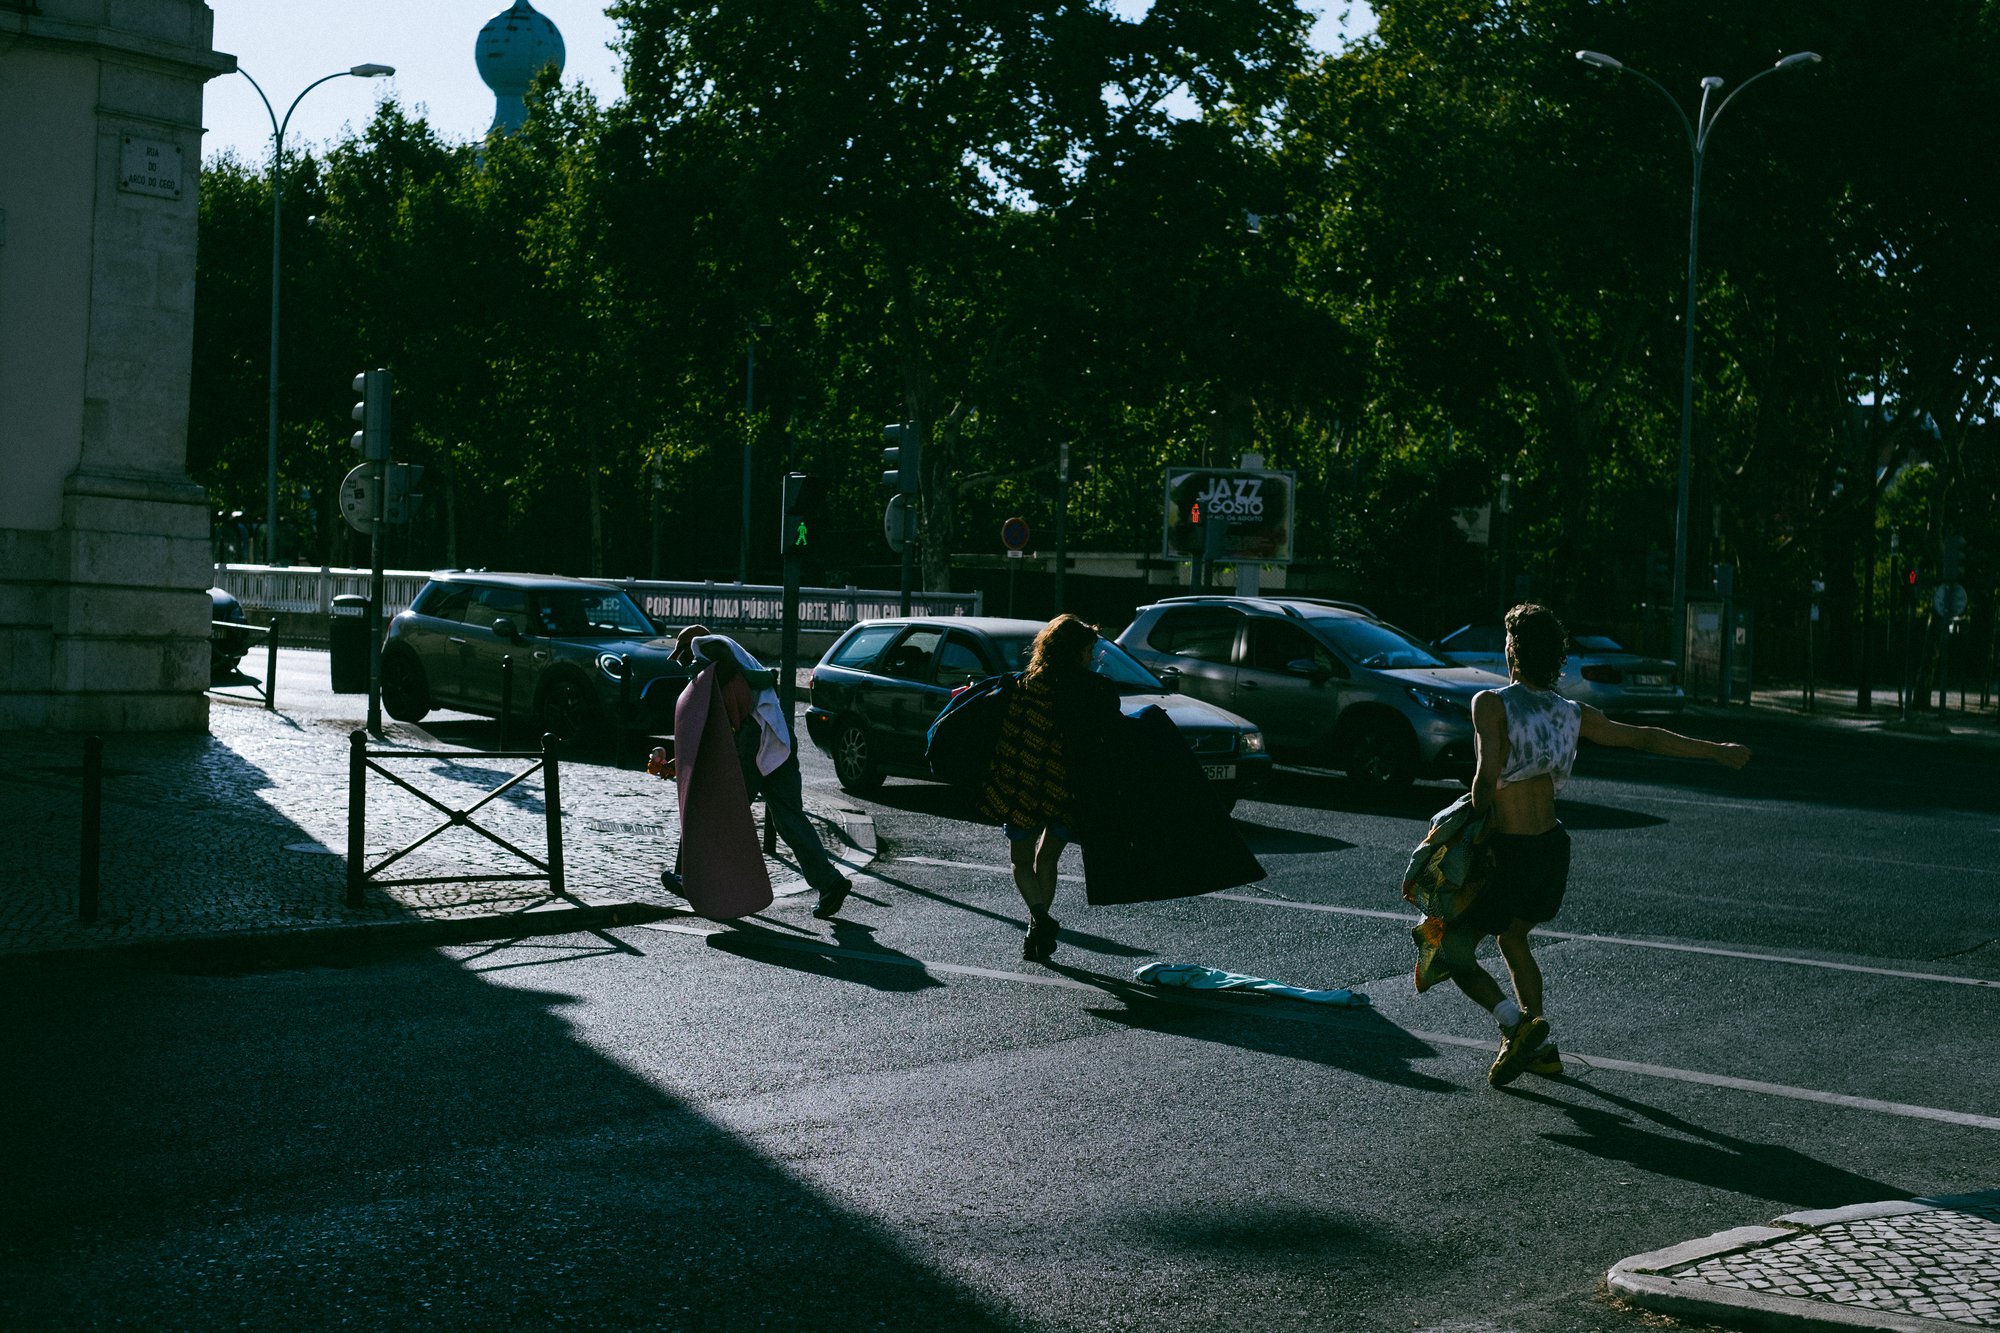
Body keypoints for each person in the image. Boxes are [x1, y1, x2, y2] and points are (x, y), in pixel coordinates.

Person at [1450, 603, 1751, 1087]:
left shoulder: (1491, 703)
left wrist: (1455, 833)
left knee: (1451, 949)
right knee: (1512, 937)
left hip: (1510, 852)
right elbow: (1643, 739)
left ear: (1512, 651)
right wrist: (1716, 751)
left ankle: (1517, 1024)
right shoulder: (1573, 713)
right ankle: (1542, 1050)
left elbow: (1485, 783)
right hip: (1551, 849)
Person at [654, 625, 853, 920]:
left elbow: (720, 697)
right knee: (788, 819)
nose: (683, 664)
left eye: (682, 657)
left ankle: (689, 877)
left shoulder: (708, 645)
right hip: (777, 736)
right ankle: (830, 883)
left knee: (710, 810)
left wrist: (698, 668)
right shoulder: (742, 657)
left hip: (753, 739)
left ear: (689, 648)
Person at [975, 614, 1122, 961]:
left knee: (1021, 862)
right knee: (1049, 858)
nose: (1091, 657)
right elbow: (1108, 738)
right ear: (1074, 652)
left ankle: (1040, 920)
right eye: (1088, 650)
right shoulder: (1093, 690)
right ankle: (1036, 928)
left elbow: (1002, 736)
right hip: (1066, 790)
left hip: (1023, 787)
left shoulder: (1024, 686)